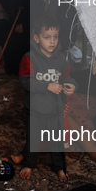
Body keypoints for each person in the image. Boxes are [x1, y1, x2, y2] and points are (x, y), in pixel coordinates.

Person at [13, 15, 77, 182]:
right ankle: (29, 164)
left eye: (55, 37)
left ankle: (60, 168)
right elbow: (25, 80)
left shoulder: (62, 59)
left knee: (57, 142)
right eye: (46, 37)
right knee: (33, 139)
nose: (52, 41)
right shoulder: (29, 58)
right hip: (35, 109)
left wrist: (71, 86)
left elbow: (68, 77)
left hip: (55, 108)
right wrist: (46, 86)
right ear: (36, 38)